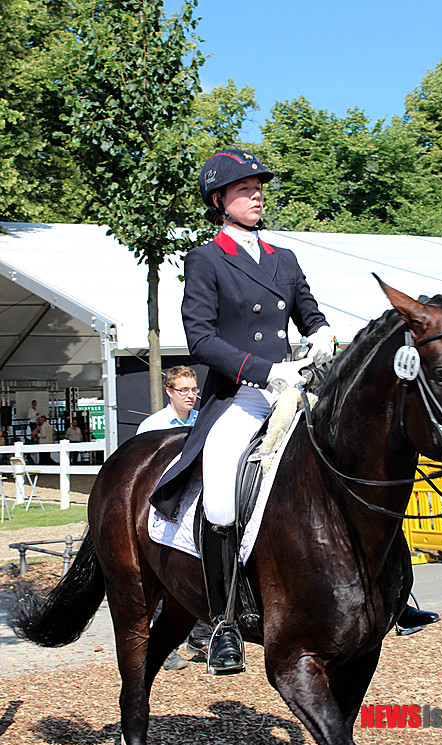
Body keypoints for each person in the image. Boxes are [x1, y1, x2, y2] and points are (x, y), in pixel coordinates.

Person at [150, 149, 337, 674]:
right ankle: (223, 624)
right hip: (242, 394)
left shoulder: (284, 259)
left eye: (259, 188)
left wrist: (321, 332)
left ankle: (396, 590)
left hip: (293, 389)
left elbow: (308, 309)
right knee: (222, 489)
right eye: (244, 189)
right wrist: (261, 370)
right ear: (219, 201)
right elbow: (202, 339)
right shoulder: (206, 259)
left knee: (359, 449)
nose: (257, 195)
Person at [137, 366, 212, 670]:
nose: (191, 395)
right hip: (163, 506)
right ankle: (164, 643)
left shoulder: (204, 420)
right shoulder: (152, 426)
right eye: (184, 390)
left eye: (194, 389)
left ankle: (203, 635)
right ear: (169, 392)